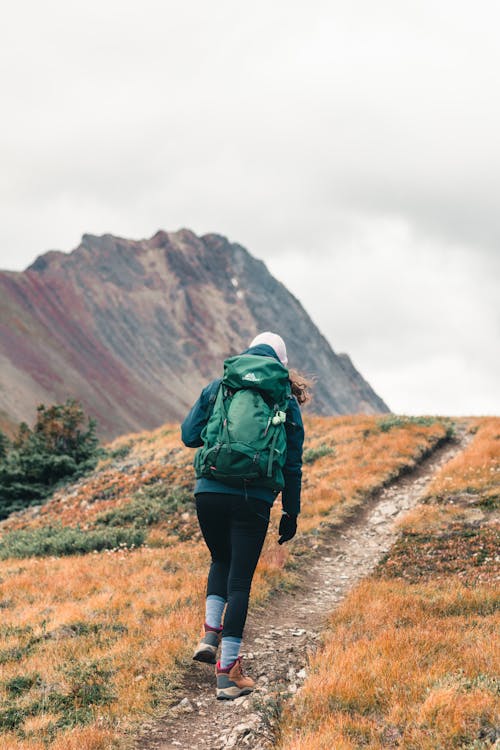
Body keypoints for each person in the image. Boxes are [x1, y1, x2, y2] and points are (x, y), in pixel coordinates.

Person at [181, 331, 307, 700]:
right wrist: (290, 512)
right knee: (240, 582)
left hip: (209, 491)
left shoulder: (221, 385)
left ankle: (209, 635)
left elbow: (189, 435)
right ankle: (227, 675)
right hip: (254, 498)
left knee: (220, 558)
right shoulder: (283, 396)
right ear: (280, 362)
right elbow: (293, 464)